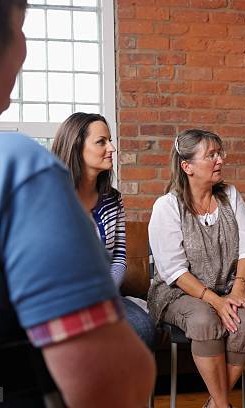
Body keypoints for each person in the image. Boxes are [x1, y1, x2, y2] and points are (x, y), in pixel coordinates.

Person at [0, 1, 155, 406]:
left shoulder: (107, 199)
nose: (23, 48)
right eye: (19, 30)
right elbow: (109, 381)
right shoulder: (16, 171)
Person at [147, 129, 245, 408]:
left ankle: (214, 404)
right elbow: (173, 271)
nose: (220, 160)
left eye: (219, 153)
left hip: (228, 287)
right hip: (179, 293)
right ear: (187, 167)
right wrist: (216, 301)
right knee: (205, 319)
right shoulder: (167, 206)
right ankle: (223, 405)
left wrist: (237, 290)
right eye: (211, 155)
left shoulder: (230, 196)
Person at [52, 112, 157, 349]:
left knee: (142, 327)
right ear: (76, 147)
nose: (112, 148)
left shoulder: (112, 200)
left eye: (110, 140)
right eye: (101, 142)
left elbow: (119, 259)